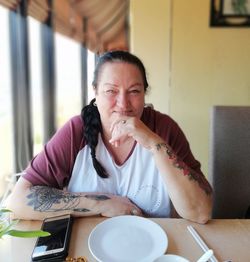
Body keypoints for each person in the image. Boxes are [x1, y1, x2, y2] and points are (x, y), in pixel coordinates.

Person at [7, 50, 212, 224]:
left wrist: (154, 143)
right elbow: (17, 201)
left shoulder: (164, 129)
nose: (123, 104)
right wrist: (101, 202)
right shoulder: (76, 131)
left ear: (144, 94)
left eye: (134, 91)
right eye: (111, 91)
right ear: (95, 92)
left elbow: (201, 212)